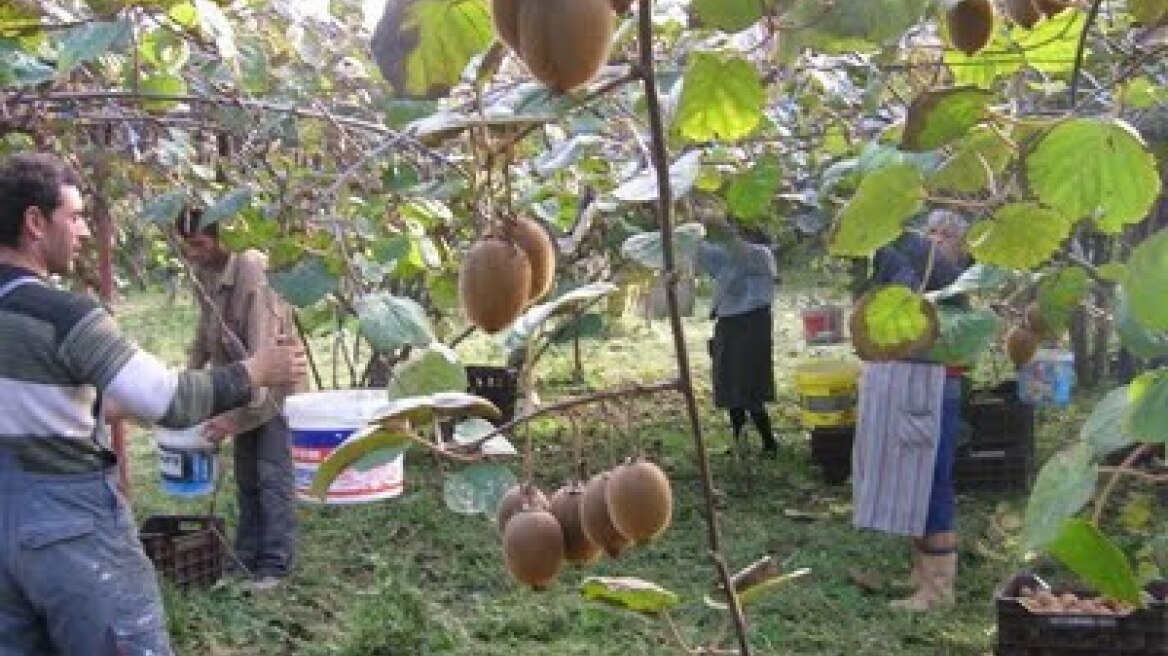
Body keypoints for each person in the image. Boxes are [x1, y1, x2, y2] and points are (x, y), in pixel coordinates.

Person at [0, 152, 306, 655]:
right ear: (35, 222)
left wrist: (105, 406)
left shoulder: (247, 270)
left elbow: (31, 404)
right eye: (74, 216)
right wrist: (257, 371)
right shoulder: (63, 315)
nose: (81, 232)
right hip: (67, 526)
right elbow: (166, 398)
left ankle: (268, 559)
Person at [850, 209, 972, 612]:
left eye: (944, 234)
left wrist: (891, 233)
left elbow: (920, 264)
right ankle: (921, 574)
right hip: (912, 385)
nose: (933, 240)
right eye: (930, 232)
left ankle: (939, 591)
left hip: (934, 389)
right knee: (913, 479)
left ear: (961, 245)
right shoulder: (919, 271)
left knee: (932, 483)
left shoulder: (951, 276)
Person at [178, 209, 304, 590]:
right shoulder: (205, 271)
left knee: (272, 478)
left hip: (272, 392)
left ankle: (275, 566)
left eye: (199, 244)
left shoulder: (253, 271)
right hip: (239, 385)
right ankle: (246, 558)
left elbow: (266, 354)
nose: (193, 253)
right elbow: (204, 332)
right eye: (187, 246)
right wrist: (186, 382)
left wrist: (231, 420)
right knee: (247, 478)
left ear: (222, 239)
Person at [695, 219, 780, 457]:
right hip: (729, 322)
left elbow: (742, 251)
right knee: (730, 384)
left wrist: (721, 228)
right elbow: (703, 253)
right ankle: (739, 441)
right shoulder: (729, 255)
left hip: (752, 324)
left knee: (749, 384)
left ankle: (769, 443)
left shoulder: (760, 255)